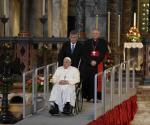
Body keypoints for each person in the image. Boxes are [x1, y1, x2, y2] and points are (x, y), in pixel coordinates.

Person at [82, 29, 108, 101]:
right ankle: (87, 96)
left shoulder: (103, 42)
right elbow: (84, 53)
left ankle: (97, 96)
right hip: (88, 64)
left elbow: (103, 54)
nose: (95, 34)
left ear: (99, 34)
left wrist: (96, 61)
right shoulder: (87, 42)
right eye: (93, 33)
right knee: (88, 79)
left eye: (96, 33)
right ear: (91, 34)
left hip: (98, 63)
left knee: (97, 80)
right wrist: (90, 61)